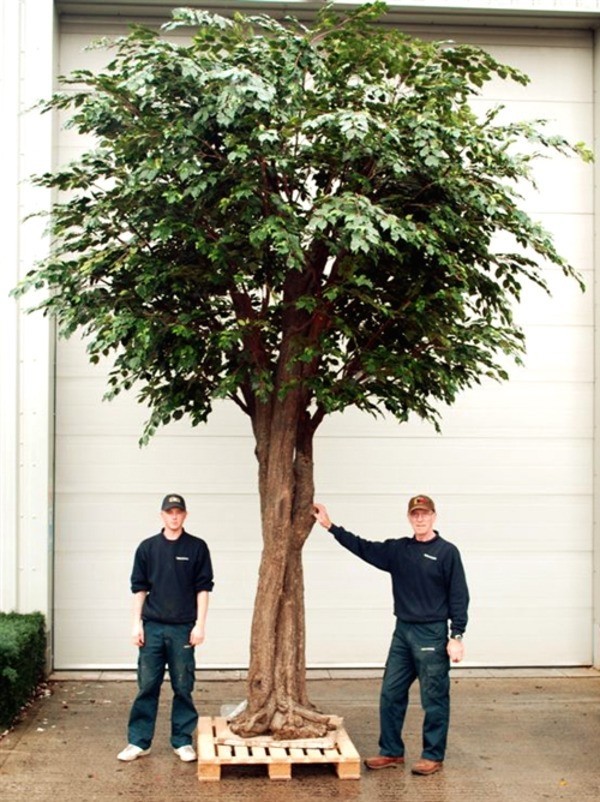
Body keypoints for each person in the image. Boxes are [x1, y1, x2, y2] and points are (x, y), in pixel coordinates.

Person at [313, 494, 468, 776]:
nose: (420, 518)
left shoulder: (447, 552)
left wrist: (456, 635)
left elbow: (459, 596)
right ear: (409, 518)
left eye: (425, 513)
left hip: (432, 635)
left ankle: (433, 755)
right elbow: (364, 548)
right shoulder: (399, 550)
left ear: (434, 516)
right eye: (415, 514)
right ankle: (391, 751)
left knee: (433, 698)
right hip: (403, 632)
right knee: (391, 693)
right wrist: (331, 526)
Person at [117, 493, 214, 763]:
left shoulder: (197, 547)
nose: (174, 516)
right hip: (153, 628)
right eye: (169, 512)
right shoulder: (148, 548)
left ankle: (182, 741)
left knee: (183, 686)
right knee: (147, 685)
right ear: (162, 515)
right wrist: (136, 624)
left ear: (185, 515)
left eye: (178, 512)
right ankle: (138, 741)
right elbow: (139, 589)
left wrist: (200, 626)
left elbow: (203, 589)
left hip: (183, 629)